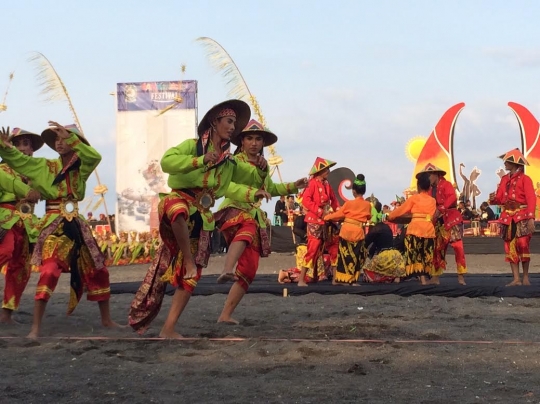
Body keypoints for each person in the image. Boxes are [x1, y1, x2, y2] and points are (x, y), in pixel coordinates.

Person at [128, 100, 271, 338]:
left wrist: (261, 169)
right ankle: (189, 260)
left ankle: (168, 328)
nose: (232, 127)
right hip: (180, 200)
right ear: (214, 122)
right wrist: (199, 161)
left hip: (203, 216)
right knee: (177, 210)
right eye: (229, 121)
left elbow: (246, 178)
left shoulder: (229, 161)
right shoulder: (191, 146)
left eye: (235, 123)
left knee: (191, 279)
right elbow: (167, 163)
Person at [0, 122, 120, 338]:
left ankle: (107, 319)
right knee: (49, 270)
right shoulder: (44, 167)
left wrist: (73, 139)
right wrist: (4, 148)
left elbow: (95, 158)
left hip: (77, 224)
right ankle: (35, 328)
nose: (60, 142)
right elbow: (18, 161)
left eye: (65, 138)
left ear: (77, 144)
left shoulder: (81, 168)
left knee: (98, 268)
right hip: (52, 223)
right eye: (57, 139)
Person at [214, 119, 307, 323]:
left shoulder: (263, 166)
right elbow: (225, 186)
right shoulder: (232, 161)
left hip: (252, 215)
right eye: (250, 138)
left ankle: (225, 315)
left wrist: (294, 186)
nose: (254, 143)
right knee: (247, 227)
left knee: (249, 269)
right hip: (233, 211)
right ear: (242, 141)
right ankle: (227, 269)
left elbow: (271, 189)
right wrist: (252, 192)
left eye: (258, 139)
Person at [0, 128, 42, 324]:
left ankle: (6, 313)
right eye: (22, 144)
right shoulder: (3, 170)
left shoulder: (36, 174)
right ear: (11, 147)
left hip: (27, 226)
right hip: (5, 221)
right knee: (4, 252)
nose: (27, 149)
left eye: (29, 145)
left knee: (21, 269)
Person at [489, 148, 536, 286]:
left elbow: (531, 198)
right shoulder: (504, 179)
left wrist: (531, 217)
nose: (505, 163)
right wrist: (493, 199)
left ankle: (525, 276)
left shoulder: (525, 179)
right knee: (509, 246)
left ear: (515, 164)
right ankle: (516, 278)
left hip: (521, 216)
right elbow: (499, 198)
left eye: (507, 161)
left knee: (523, 244)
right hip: (507, 218)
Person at [297, 157, 340, 287]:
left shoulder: (327, 184)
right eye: (326, 169)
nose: (328, 171)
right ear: (320, 171)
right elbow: (306, 201)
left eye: (328, 168)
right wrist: (321, 212)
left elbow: (334, 200)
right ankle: (301, 280)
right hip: (315, 220)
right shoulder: (311, 183)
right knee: (313, 249)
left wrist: (338, 212)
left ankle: (335, 279)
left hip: (327, 221)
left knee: (333, 248)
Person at [388, 172, 436, 285]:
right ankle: (423, 279)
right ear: (429, 187)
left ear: (418, 186)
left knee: (412, 255)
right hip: (428, 230)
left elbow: (400, 211)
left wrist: (390, 216)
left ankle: (399, 277)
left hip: (415, 229)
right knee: (426, 255)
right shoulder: (433, 201)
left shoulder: (414, 198)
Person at [324, 174, 371, 285]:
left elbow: (338, 215)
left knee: (344, 257)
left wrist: (326, 217)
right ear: (364, 191)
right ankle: (353, 280)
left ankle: (342, 279)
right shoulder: (368, 205)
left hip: (346, 231)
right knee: (355, 257)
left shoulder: (349, 204)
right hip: (358, 232)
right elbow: (368, 217)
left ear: (353, 191)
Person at [426, 163, 468, 285]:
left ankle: (461, 276)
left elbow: (452, 198)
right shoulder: (430, 190)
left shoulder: (446, 184)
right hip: (439, 221)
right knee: (437, 249)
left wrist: (441, 208)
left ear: (436, 175)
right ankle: (435, 277)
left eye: (430, 174)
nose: (428, 177)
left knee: (457, 247)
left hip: (451, 219)